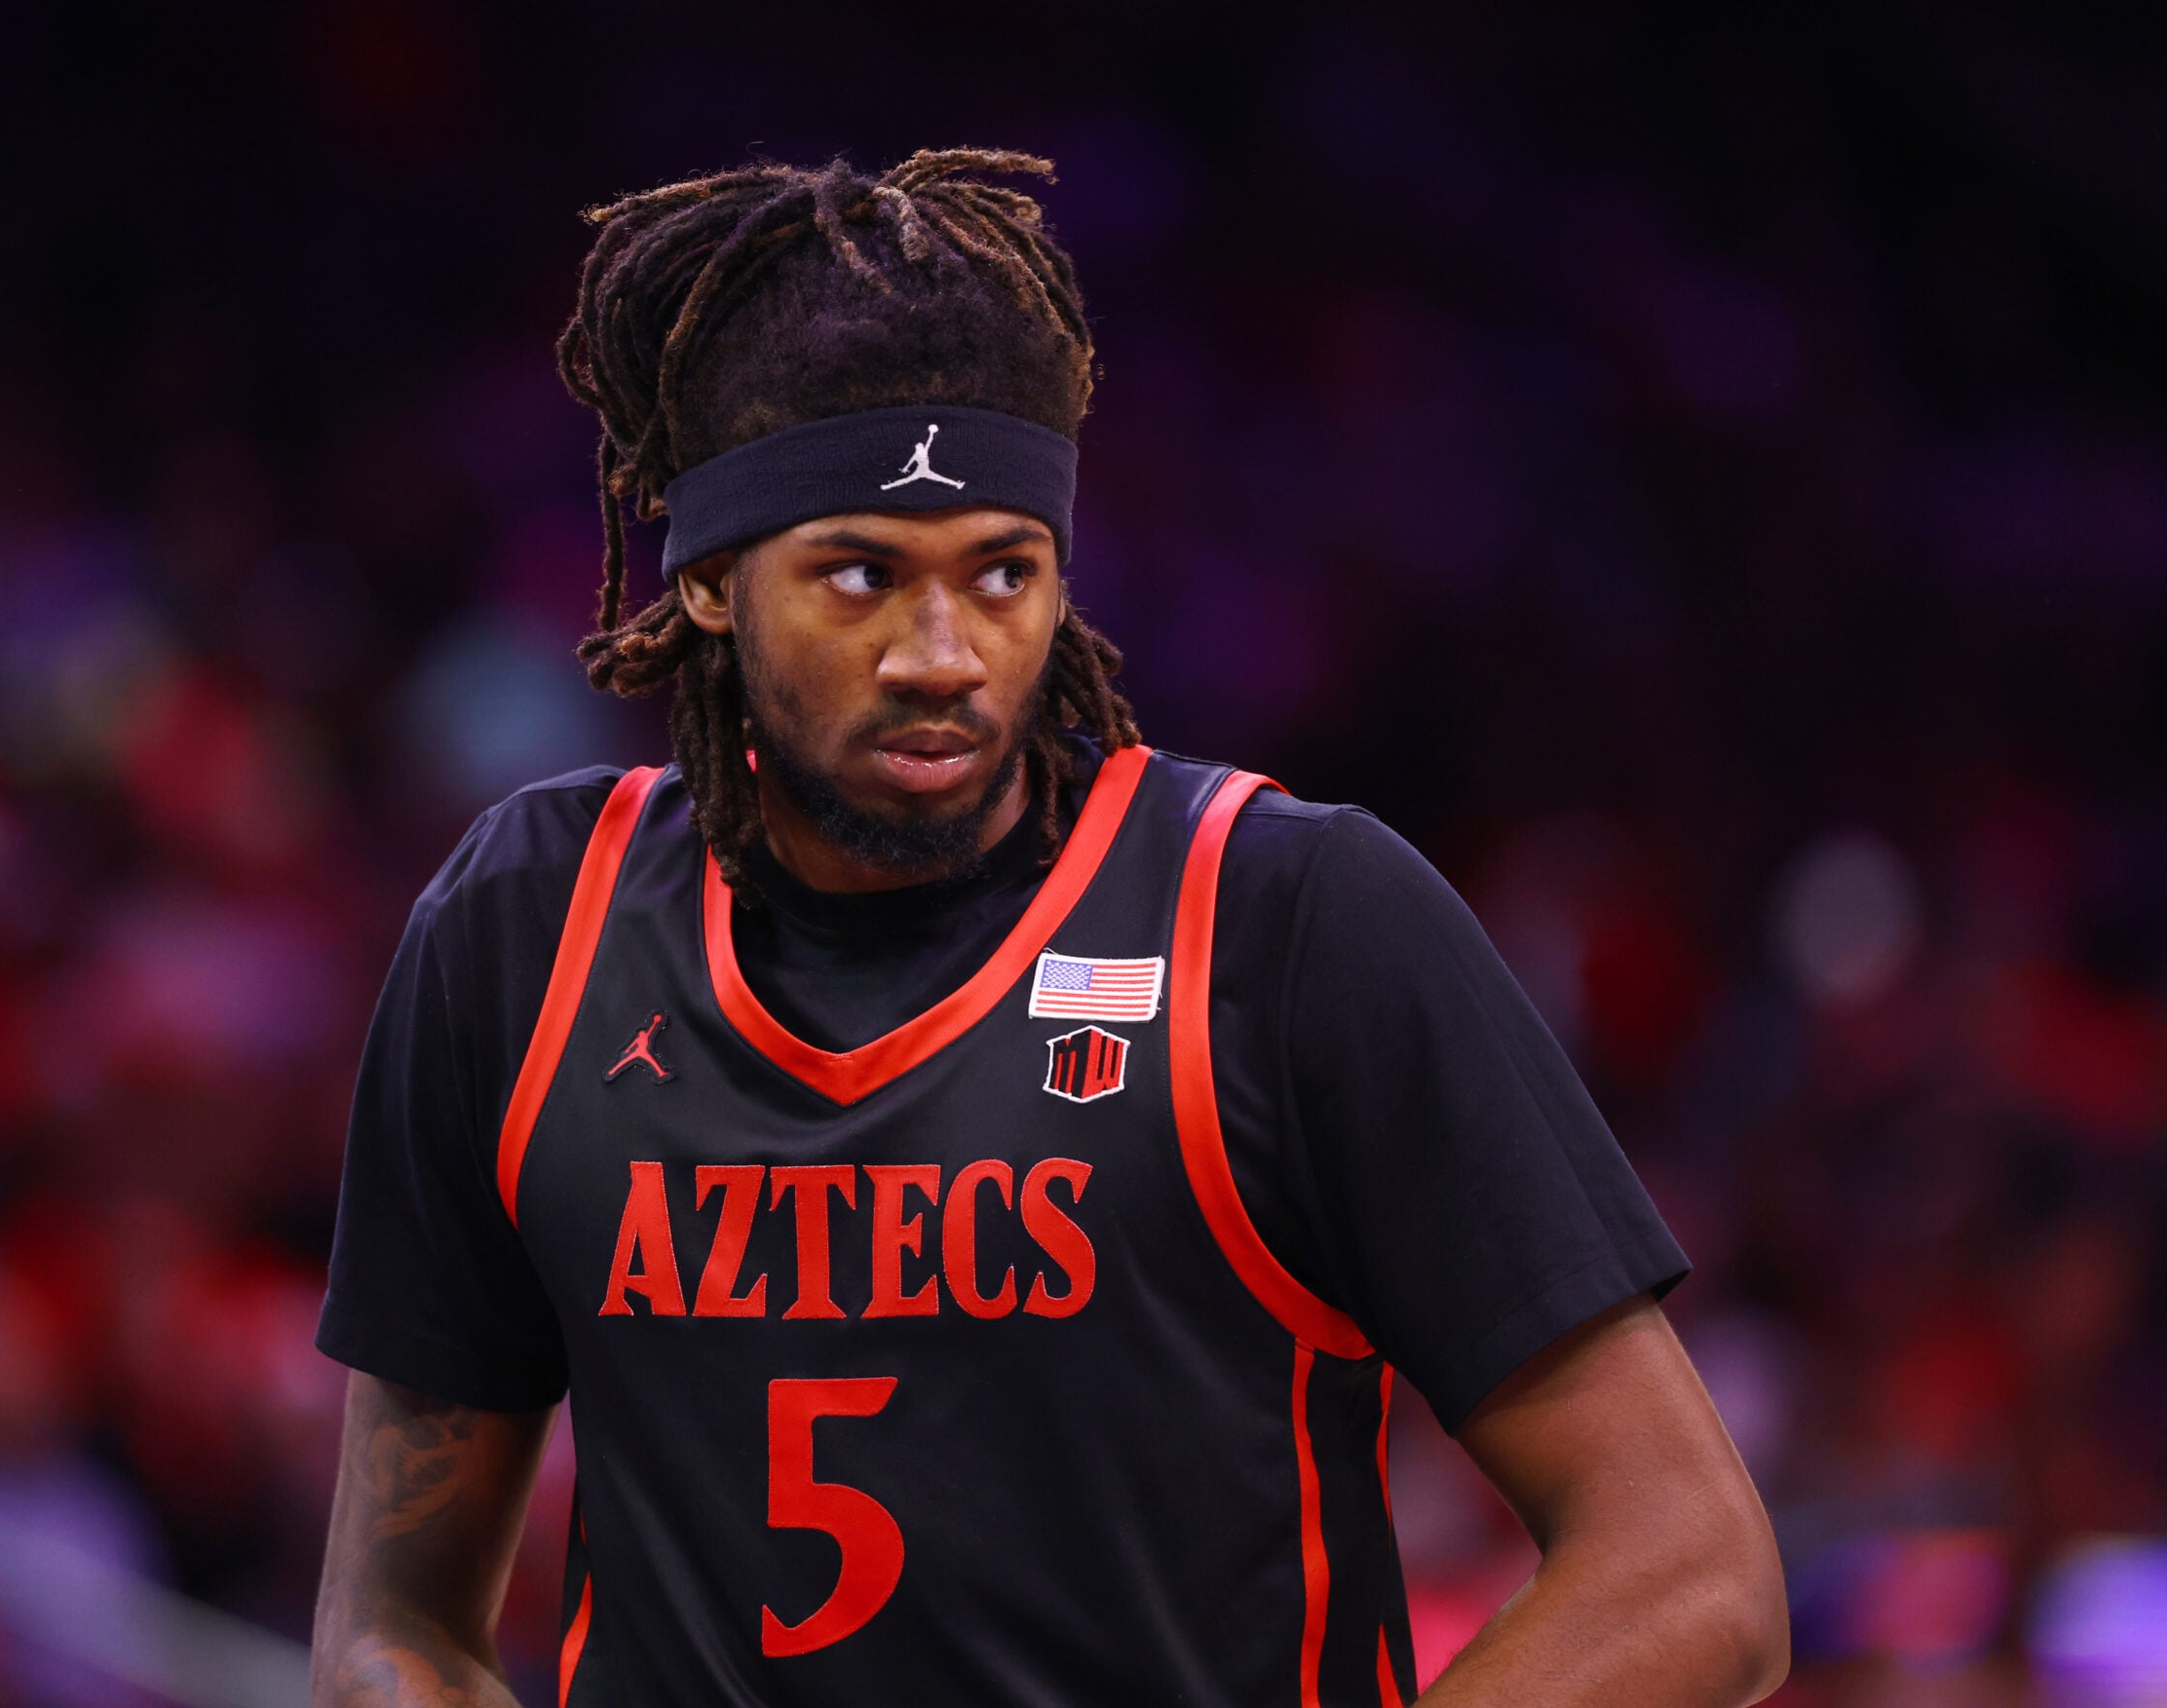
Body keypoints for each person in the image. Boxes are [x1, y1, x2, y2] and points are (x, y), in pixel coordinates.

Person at [309, 148, 1787, 1708]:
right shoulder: (528, 926)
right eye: (861, 577)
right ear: (711, 584)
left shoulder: (1287, 921)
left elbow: (1690, 1567)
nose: (941, 653)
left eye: (1000, 574)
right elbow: (391, 1625)